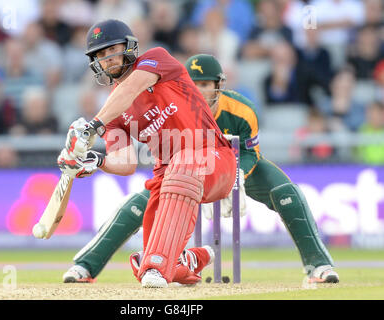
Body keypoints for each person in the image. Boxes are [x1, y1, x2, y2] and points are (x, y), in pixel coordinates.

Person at [61, 51, 340, 285]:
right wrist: (98, 160)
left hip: (238, 167)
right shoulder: (175, 98)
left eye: (207, 84)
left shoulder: (240, 109)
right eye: (196, 84)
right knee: (138, 204)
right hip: (182, 171)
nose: (202, 90)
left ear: (219, 85)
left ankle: (319, 266)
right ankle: (91, 266)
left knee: (286, 193)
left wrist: (237, 181)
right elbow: (132, 150)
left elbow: (248, 152)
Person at [57, 19, 238, 288]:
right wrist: (97, 160)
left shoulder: (156, 59)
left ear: (129, 46)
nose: (107, 59)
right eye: (100, 55)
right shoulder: (113, 113)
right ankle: (187, 260)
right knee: (147, 264)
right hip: (167, 180)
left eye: (111, 50)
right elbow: (127, 163)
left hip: (213, 158)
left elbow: (130, 88)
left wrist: (93, 125)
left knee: (185, 163)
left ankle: (159, 263)